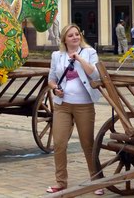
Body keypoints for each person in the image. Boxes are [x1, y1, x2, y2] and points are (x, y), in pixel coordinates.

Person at [46, 24, 104, 195]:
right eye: (70, 35)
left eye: (77, 34)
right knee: (59, 143)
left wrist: (79, 58)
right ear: (64, 39)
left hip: (84, 105)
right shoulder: (57, 55)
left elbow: (95, 74)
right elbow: (51, 79)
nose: (75, 37)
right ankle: (61, 182)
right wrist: (55, 88)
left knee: (87, 144)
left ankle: (97, 181)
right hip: (62, 105)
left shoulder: (89, 52)